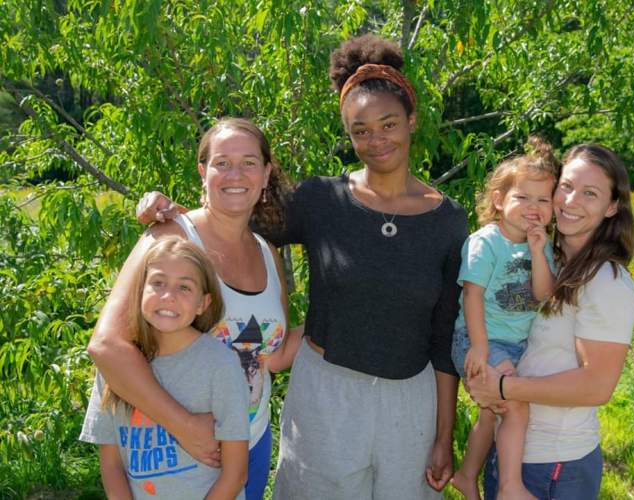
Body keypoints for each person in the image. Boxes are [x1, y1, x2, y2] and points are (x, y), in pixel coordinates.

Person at [137, 34, 468, 499]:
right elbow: (233, 209)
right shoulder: (321, 201)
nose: (376, 140)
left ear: (412, 120)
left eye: (389, 124)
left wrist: (443, 434)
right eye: (360, 130)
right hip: (324, 397)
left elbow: (443, 336)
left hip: (410, 404)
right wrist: (166, 211)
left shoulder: (449, 220)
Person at [87, 118, 302, 500]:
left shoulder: (267, 252)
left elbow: (274, 355)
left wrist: (344, 306)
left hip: (249, 444)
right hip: (176, 449)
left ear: (266, 174)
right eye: (222, 162)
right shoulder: (170, 234)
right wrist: (185, 426)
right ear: (203, 172)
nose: (235, 174)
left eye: (249, 163)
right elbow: (106, 346)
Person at [467, 144, 634, 500]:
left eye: (590, 193)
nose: (571, 201)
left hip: (554, 466)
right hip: (515, 452)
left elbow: (597, 386)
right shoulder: (552, 264)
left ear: (612, 208)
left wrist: (502, 389)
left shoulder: (606, 281)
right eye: (567, 186)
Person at [80, 236, 250, 499]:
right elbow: (111, 464)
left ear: (203, 304)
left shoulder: (219, 364)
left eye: (184, 288)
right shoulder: (115, 366)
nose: (168, 297)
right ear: (139, 292)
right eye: (158, 283)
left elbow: (236, 474)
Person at [450, 140, 557, 500]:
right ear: (499, 200)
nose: (534, 208)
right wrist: (479, 347)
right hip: (479, 340)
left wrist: (539, 251)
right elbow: (472, 294)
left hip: (515, 344)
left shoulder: (541, 246)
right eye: (523, 198)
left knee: (491, 413)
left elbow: (543, 293)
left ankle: (466, 476)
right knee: (515, 406)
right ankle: (511, 486)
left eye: (544, 201)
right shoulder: (486, 241)